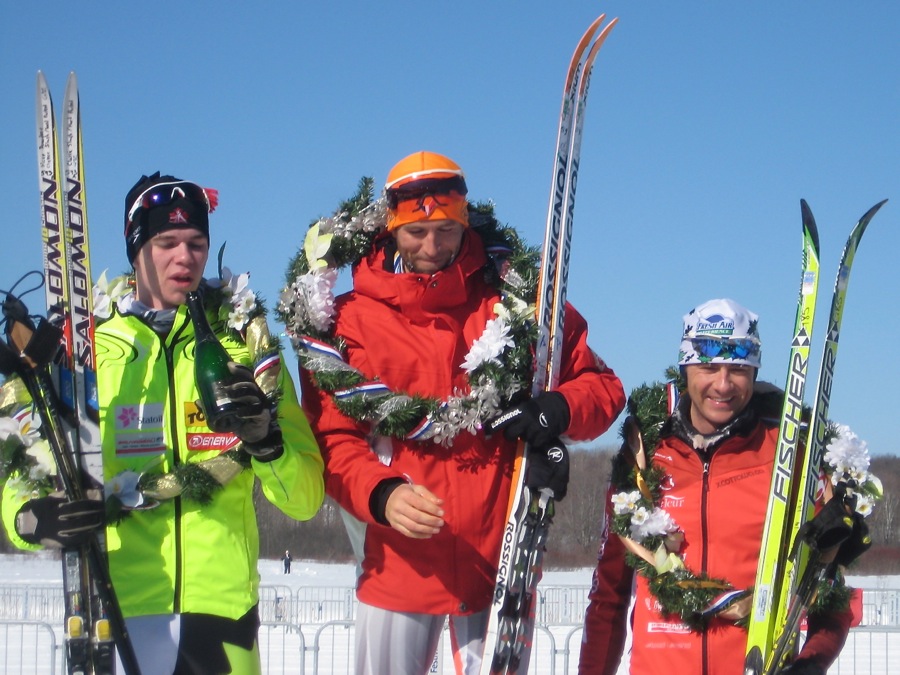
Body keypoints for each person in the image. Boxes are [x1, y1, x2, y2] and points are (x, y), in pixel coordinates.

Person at [298, 151, 626, 674]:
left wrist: (556, 410)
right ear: (391, 227)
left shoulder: (517, 303)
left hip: (501, 568)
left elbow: (604, 388)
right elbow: (332, 442)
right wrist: (381, 493)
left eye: (447, 230)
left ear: (465, 220)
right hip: (400, 567)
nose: (433, 247)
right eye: (417, 231)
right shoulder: (349, 321)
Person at [2, 172, 325, 675]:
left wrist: (267, 444)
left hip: (223, 612)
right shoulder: (90, 353)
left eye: (197, 242)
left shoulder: (247, 349)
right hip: (117, 606)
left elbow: (305, 500)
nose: (185, 257)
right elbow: (24, 462)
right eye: (166, 242)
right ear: (136, 251)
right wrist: (29, 518)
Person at [578, 298, 866, 675]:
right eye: (709, 367)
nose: (723, 384)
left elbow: (832, 596)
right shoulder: (644, 457)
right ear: (686, 368)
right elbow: (609, 598)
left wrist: (812, 663)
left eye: (739, 368)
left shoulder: (789, 457)